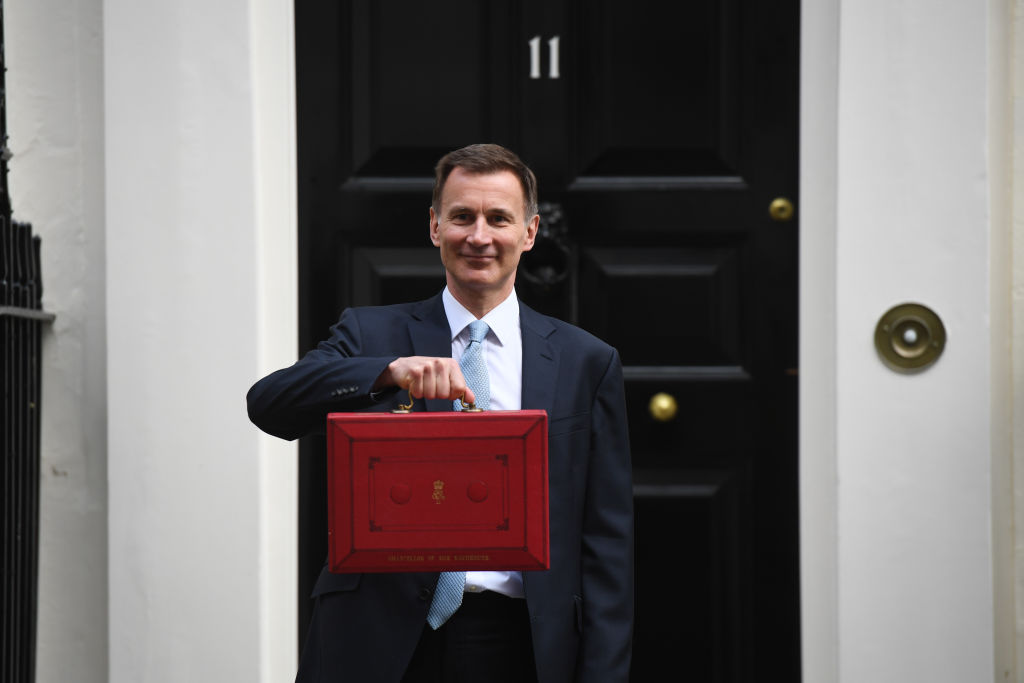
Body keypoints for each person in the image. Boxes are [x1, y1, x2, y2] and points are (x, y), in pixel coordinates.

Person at [247, 143, 633, 683]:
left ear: (529, 232)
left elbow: (606, 544)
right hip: (376, 638)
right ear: (434, 226)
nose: (479, 236)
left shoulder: (585, 361)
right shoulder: (370, 334)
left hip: (521, 641)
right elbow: (269, 405)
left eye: (498, 218)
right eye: (461, 217)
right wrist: (387, 372)